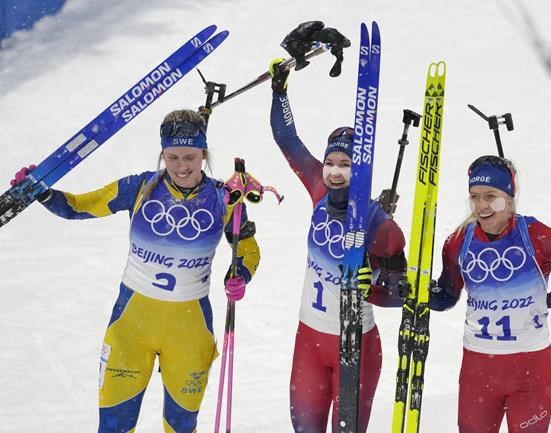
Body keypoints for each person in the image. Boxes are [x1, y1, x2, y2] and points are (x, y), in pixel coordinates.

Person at [10, 109, 260, 433]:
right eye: (172, 157)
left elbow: (249, 250)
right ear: (162, 154)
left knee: (181, 428)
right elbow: (79, 206)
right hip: (130, 330)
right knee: (114, 427)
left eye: (190, 157)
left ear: (204, 154)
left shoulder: (225, 198)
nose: (182, 166)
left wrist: (239, 275)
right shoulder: (139, 187)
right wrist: (43, 193)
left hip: (190, 332)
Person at [428, 155, 551, 433]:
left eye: (491, 196)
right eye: (474, 197)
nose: (481, 206)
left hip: (531, 367)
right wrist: (421, 294)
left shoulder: (535, 235)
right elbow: (447, 295)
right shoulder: (458, 241)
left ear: (509, 198)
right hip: (478, 367)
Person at [268, 59, 409, 433]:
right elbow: (287, 140)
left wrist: (372, 288)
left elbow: (399, 294)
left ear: (360, 168)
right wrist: (279, 90)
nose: (333, 171)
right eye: (330, 162)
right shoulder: (318, 187)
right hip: (309, 340)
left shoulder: (381, 225)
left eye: (344, 164)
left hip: (357, 346)